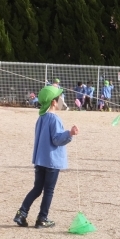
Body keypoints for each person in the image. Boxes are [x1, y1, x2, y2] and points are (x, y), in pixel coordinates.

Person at [14, 85, 78, 229]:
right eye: (59, 98)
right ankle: (42, 218)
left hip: (40, 159)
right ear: (54, 102)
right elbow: (56, 139)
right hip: (52, 161)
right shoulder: (54, 119)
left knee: (37, 188)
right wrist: (69, 133)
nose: (61, 100)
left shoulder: (41, 117)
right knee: (48, 190)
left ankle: (21, 213)